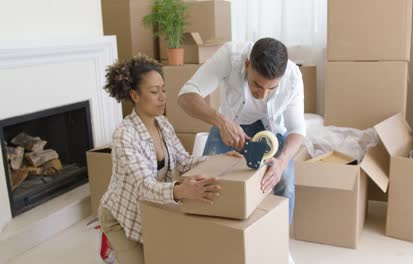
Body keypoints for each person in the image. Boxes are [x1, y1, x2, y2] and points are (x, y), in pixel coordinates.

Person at [98, 54, 239, 264]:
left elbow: (183, 161)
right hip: (122, 217)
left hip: (151, 210)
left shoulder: (162, 124)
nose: (163, 97)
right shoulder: (124, 135)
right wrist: (181, 190)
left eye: (163, 90)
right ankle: (110, 245)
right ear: (135, 95)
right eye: (154, 92)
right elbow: (142, 187)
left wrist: (219, 159)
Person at [178, 38, 305, 264]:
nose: (262, 95)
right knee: (207, 177)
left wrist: (282, 161)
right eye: (257, 85)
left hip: (271, 130)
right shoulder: (230, 55)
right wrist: (221, 122)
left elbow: (297, 130)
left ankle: (278, 244)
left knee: (283, 178)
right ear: (247, 64)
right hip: (230, 123)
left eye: (271, 88)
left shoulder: (293, 76)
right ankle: (211, 246)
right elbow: (186, 96)